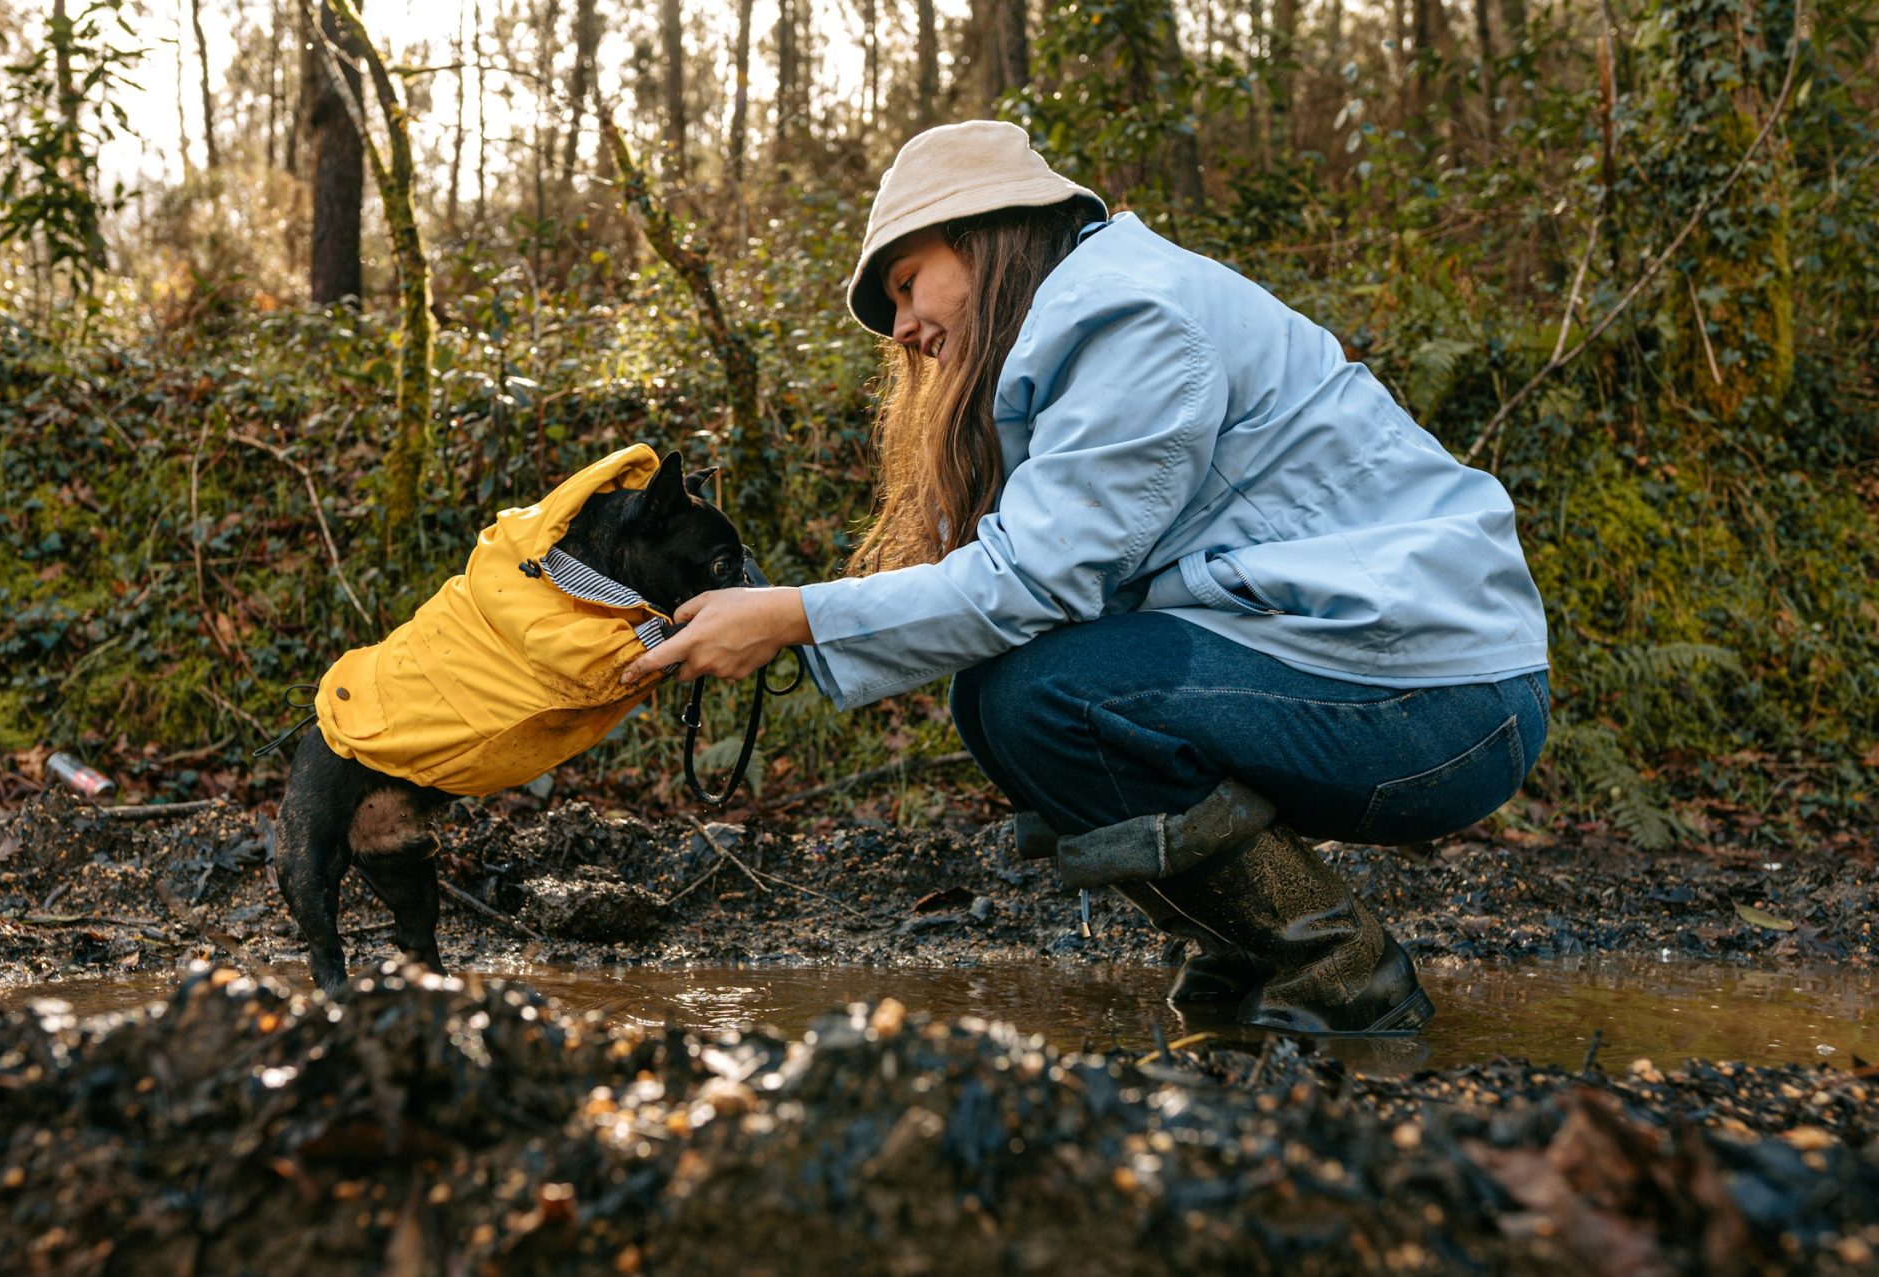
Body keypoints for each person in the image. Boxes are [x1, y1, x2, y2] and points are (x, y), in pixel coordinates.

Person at [620, 120, 1549, 1037]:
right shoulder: (1068, 338)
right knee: (1002, 696)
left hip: (1443, 701)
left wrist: (788, 618)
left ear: (983, 235)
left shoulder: (1130, 315)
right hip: (1364, 669)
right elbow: (996, 581)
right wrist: (765, 603)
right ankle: (1242, 944)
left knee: (1043, 696)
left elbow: (1027, 584)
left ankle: (1344, 973)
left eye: (909, 284)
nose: (901, 328)